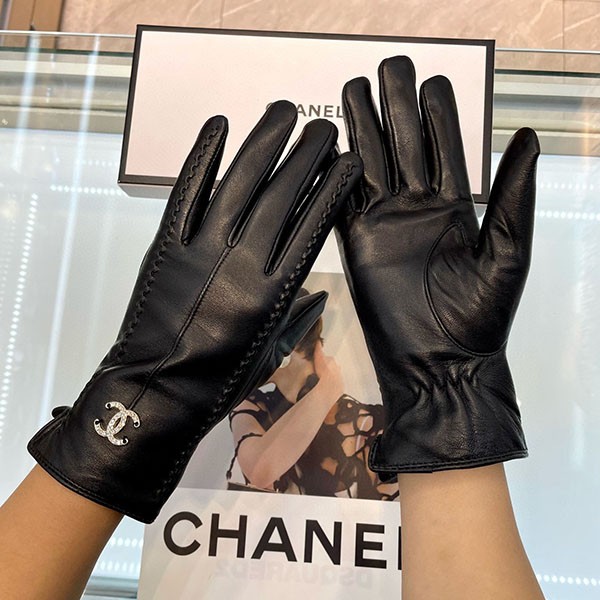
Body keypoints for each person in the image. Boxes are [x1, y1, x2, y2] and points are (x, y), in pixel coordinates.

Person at [0, 57, 546, 600]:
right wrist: (447, 389)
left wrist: (150, 392)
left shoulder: (342, 411)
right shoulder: (265, 411)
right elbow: (260, 467)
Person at [227, 289, 398, 500]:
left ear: (290, 345)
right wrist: (325, 392)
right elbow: (260, 472)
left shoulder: (370, 424)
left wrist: (327, 390)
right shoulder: (251, 407)